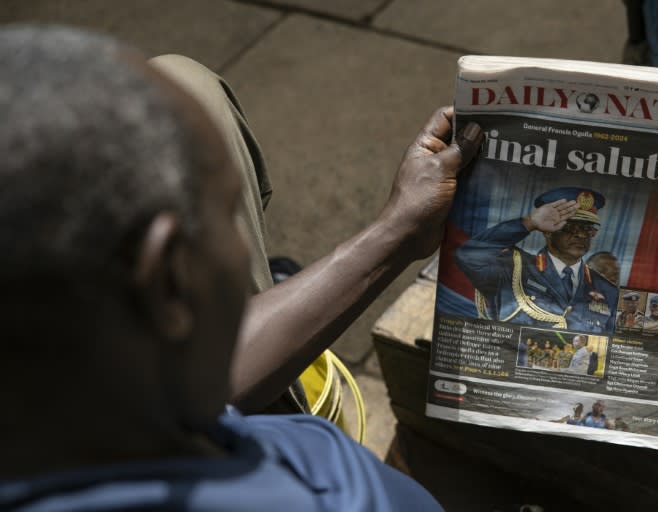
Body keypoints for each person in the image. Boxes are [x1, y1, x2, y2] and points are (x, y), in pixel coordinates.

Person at [0, 27, 485, 511]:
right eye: (229, 211)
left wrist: (399, 230)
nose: (244, 230)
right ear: (168, 282)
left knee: (183, 81)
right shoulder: (338, 491)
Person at [455, 186, 618, 333]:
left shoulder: (607, 291)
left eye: (587, 228)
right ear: (547, 230)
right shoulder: (511, 268)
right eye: (570, 226)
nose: (581, 235)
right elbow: (468, 255)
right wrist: (529, 223)